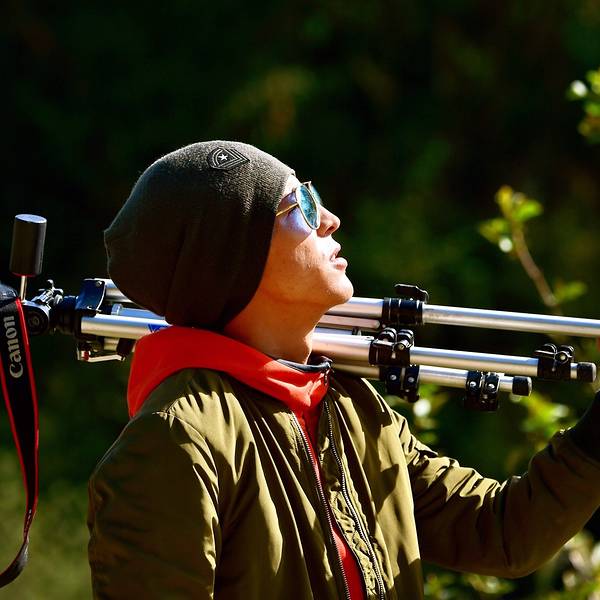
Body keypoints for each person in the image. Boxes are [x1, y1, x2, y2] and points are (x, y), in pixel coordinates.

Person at [87, 140, 600, 599]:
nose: (330, 219)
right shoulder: (174, 441)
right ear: (233, 255)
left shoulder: (348, 405)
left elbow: (503, 533)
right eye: (302, 205)